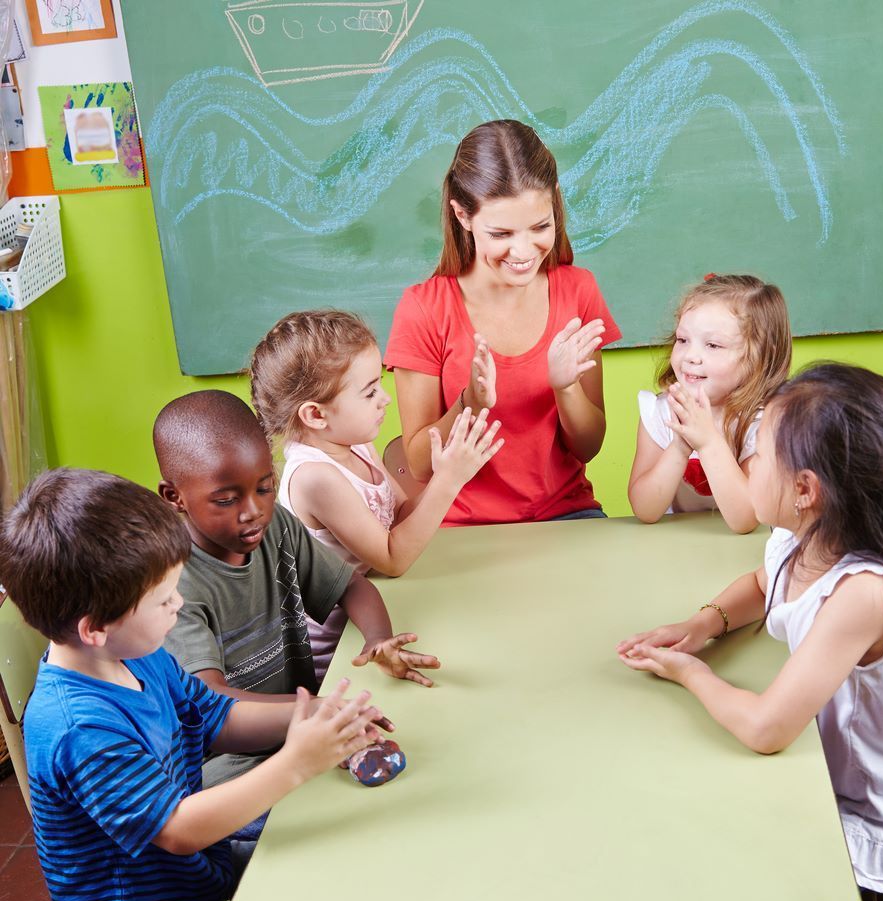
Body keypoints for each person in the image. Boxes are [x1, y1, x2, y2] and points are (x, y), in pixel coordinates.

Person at [617, 364, 883, 901]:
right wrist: (704, 624)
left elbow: (764, 728)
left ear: (806, 488)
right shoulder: (804, 534)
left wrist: (688, 671)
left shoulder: (863, 592)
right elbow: (765, 585)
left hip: (879, 830)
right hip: (824, 780)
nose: (744, 462)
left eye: (757, 452)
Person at [0, 468, 386, 901]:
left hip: (197, 876)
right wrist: (296, 762)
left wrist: (318, 716)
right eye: (162, 600)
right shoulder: (77, 727)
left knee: (350, 861)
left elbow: (215, 717)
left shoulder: (136, 653)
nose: (178, 605)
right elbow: (179, 829)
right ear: (95, 627)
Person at [153, 389, 437, 788]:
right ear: (174, 497)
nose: (253, 510)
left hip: (299, 727)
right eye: (226, 500)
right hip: (230, 764)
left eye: (265, 488)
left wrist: (378, 640)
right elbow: (212, 704)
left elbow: (351, 586)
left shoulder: (276, 528)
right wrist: (316, 713)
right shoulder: (172, 588)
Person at [384, 118, 621, 525]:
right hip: (459, 526)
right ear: (462, 215)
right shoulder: (424, 308)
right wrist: (469, 403)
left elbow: (588, 447)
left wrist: (565, 388)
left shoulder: (578, 290)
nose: (524, 250)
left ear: (555, 200)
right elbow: (420, 466)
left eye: (540, 226)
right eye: (502, 233)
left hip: (566, 514)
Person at [249, 308, 503, 602]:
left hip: (383, 600)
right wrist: (448, 482)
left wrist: (451, 469)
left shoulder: (355, 445)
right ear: (316, 414)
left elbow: (401, 516)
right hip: (341, 637)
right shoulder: (315, 477)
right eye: (369, 393)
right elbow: (392, 559)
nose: (385, 399)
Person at [627, 273, 791, 532]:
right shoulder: (660, 413)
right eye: (682, 340)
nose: (691, 356)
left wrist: (708, 441)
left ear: (758, 357)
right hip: (677, 548)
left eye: (713, 345)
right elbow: (645, 510)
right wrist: (680, 447)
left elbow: (746, 520)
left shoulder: (762, 423)